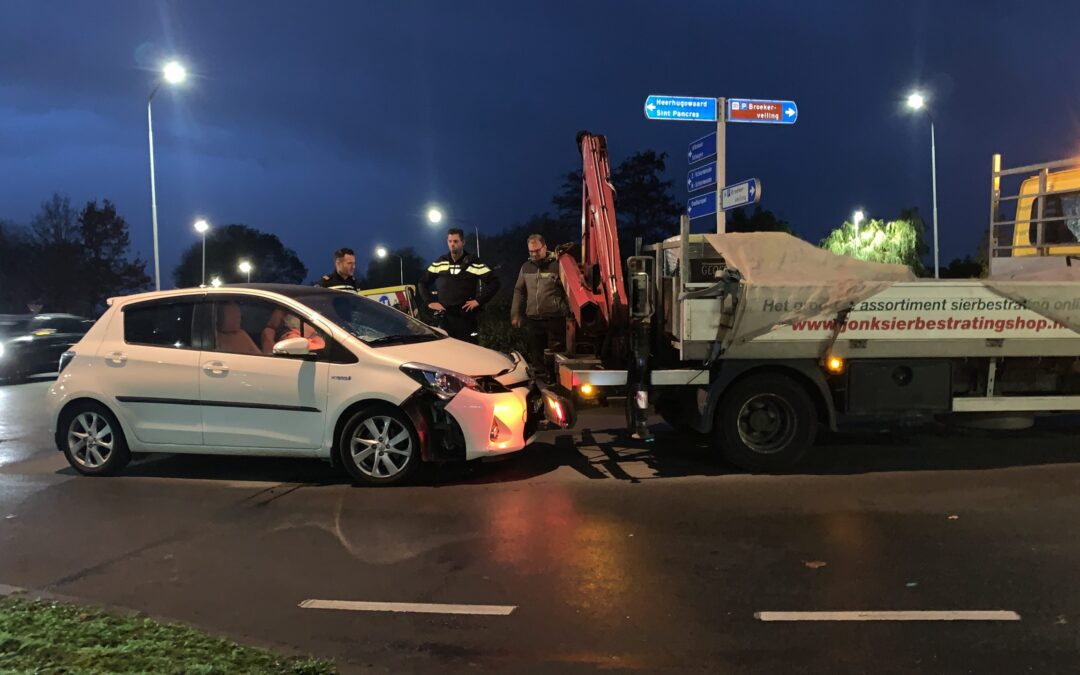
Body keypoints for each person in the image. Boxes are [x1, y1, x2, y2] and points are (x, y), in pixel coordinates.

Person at [418, 228, 500, 343]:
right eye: (450, 241)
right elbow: (422, 282)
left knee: (470, 355)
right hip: (445, 319)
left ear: (463, 242)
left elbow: (495, 282)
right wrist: (430, 302)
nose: (452, 244)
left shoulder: (473, 262)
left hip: (466, 319)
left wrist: (479, 301)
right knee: (447, 356)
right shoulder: (441, 262)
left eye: (456, 241)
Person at [511, 234, 568, 380]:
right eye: (531, 251)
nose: (534, 254)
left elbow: (570, 290)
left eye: (537, 250)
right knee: (536, 353)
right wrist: (515, 314)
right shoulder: (526, 268)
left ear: (545, 247)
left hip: (555, 318)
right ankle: (541, 381)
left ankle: (557, 380)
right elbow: (519, 290)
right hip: (534, 318)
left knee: (556, 353)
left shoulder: (558, 265)